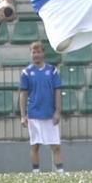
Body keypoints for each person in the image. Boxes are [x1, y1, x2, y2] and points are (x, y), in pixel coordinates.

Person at [19, 41, 64, 173]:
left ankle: (60, 174)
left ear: (43, 53)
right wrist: (23, 115)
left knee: (55, 146)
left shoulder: (52, 71)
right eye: (34, 52)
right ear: (31, 54)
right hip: (34, 114)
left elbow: (57, 91)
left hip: (49, 114)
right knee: (35, 146)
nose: (36, 55)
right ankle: (36, 174)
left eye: (39, 52)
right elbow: (23, 94)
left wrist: (58, 111)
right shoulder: (26, 73)